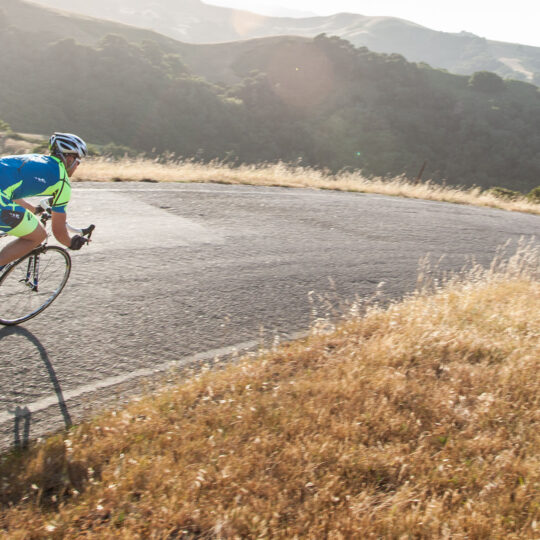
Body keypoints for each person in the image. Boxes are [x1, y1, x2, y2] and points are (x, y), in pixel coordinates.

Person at [0, 132, 89, 272]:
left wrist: (33, 209)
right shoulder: (62, 181)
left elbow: (8, 190)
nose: (77, 166)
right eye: (78, 162)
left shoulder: (35, 158)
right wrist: (72, 243)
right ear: (70, 158)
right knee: (37, 236)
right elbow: (58, 232)